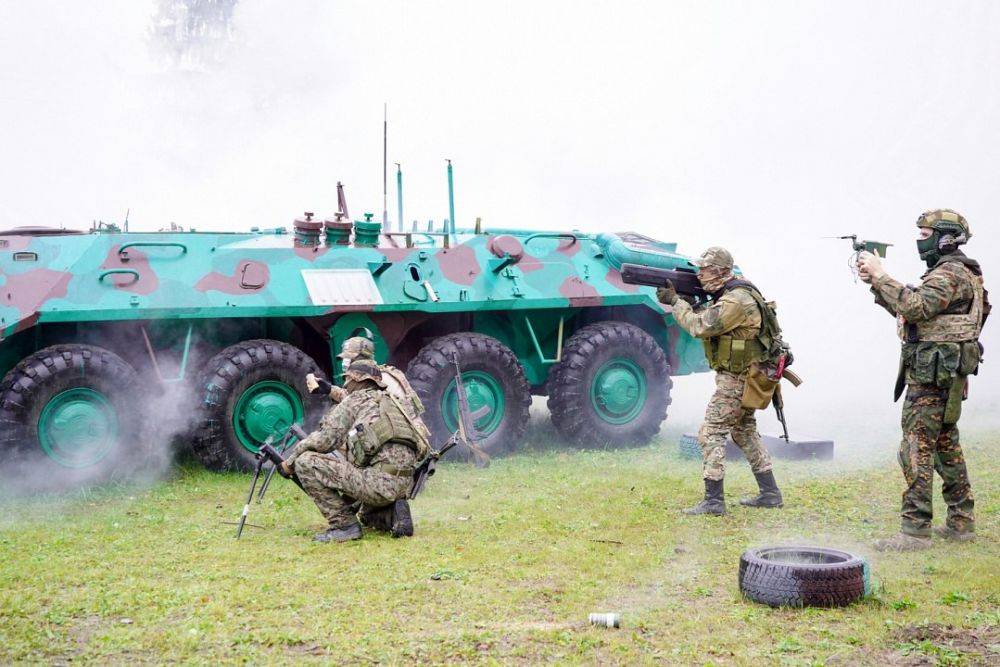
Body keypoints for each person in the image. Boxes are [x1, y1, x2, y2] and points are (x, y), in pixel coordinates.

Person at [858, 209, 987, 551]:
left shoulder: (949, 274)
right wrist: (877, 284)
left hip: (933, 378)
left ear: (946, 237)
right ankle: (962, 522)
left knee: (916, 448)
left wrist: (881, 275)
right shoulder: (962, 272)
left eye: (924, 233)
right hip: (946, 376)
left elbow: (914, 308)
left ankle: (914, 531)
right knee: (946, 447)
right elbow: (918, 316)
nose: (920, 240)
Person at [657, 247, 788, 515]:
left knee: (711, 431)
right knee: (743, 430)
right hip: (747, 375)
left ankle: (714, 501)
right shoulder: (735, 294)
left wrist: (676, 302)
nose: (700, 274)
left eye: (704, 269)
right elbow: (712, 317)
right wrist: (690, 301)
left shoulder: (736, 300)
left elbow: (700, 326)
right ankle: (770, 493)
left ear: (720, 271)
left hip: (739, 378)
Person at [282, 359, 430, 542]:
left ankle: (344, 526)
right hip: (406, 484)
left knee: (305, 462)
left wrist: (290, 461)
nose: (345, 384)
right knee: (363, 499)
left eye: (347, 379)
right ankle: (389, 514)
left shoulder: (355, 400)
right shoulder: (397, 403)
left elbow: (324, 441)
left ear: (357, 379)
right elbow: (422, 446)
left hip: (378, 484)